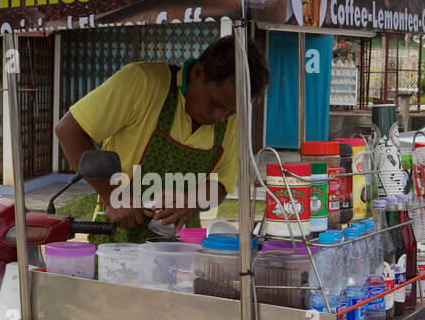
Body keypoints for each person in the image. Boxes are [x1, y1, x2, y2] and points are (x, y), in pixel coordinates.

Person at [54, 34, 271, 243]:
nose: (218, 117)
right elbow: (69, 130)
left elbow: (221, 185)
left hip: (181, 245)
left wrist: (190, 201)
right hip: (116, 238)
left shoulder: (229, 119)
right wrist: (113, 196)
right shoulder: (142, 82)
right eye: (214, 103)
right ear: (197, 73)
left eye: (229, 112)